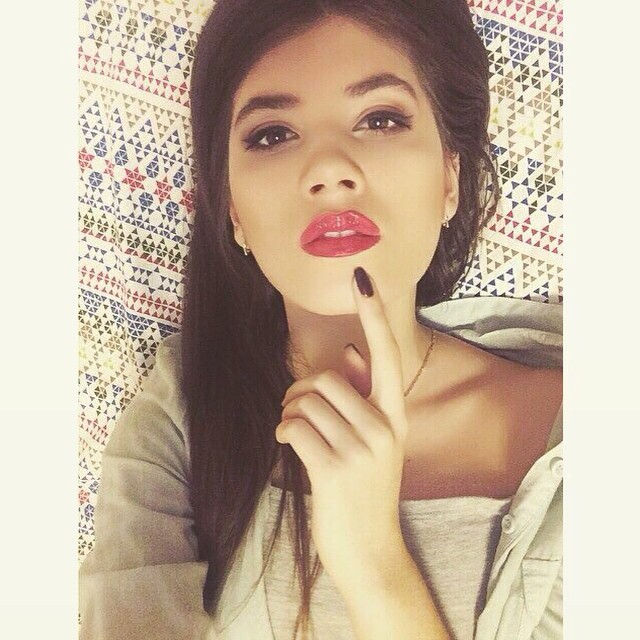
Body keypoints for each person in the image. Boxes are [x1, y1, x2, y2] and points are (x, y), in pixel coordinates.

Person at [79, 1, 563, 639]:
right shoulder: (181, 415)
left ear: (451, 177)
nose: (330, 168)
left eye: (380, 119)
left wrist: (374, 565)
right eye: (273, 135)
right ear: (233, 210)